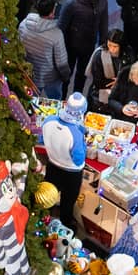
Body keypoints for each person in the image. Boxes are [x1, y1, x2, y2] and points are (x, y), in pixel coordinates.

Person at [40, 93, 88, 232]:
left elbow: (41, 140)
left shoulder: (49, 120)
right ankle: (65, 223)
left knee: (49, 193)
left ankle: (43, 219)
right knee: (68, 200)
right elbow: (79, 158)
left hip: (52, 165)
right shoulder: (76, 133)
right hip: (71, 173)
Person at [59, 0, 108, 94]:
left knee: (82, 75)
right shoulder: (71, 3)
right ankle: (62, 98)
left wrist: (103, 45)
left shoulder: (102, 1)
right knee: (66, 76)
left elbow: (104, 24)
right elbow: (61, 27)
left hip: (88, 46)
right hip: (70, 47)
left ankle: (77, 97)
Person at [18, 0, 70, 99]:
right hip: (49, 78)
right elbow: (61, 62)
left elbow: (19, 46)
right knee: (55, 99)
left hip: (29, 74)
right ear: (51, 13)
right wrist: (66, 76)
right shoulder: (56, 34)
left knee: (30, 100)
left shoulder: (24, 24)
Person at [87, 28, 122, 112]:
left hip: (120, 90)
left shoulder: (127, 54)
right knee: (102, 111)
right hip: (102, 89)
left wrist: (119, 81)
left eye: (115, 46)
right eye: (109, 45)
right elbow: (97, 80)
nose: (112, 49)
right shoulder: (100, 55)